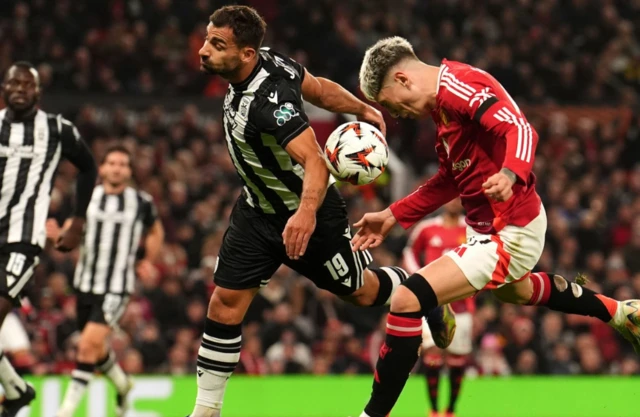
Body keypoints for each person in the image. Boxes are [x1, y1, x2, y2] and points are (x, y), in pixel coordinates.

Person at [352, 37, 640, 417]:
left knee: (407, 298)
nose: (399, 114)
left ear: (403, 79)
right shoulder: (442, 112)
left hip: (510, 227)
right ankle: (622, 314)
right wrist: (392, 215)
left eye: (391, 104)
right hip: (488, 227)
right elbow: (448, 179)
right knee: (513, 292)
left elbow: (520, 130)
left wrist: (510, 172)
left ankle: (373, 414)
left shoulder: (460, 86)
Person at [189, 7, 454, 417]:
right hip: (258, 212)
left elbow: (314, 159)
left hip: (309, 216)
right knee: (224, 303)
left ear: (245, 53)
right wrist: (361, 108)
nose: (205, 50)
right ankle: (206, 411)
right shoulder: (270, 60)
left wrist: (306, 214)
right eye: (208, 40)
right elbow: (317, 88)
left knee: (362, 292)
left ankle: (419, 288)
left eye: (217, 44)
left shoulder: (268, 103)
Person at [0, 62, 97, 417]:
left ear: (38, 92)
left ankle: (14, 393)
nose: (20, 88)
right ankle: (16, 392)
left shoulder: (56, 129)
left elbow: (88, 166)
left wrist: (77, 219)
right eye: (14, 82)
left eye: (28, 83)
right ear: (5, 88)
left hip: (21, 240)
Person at [47, 145, 164, 417]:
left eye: (123, 164)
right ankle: (123, 386)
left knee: (87, 345)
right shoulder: (88, 198)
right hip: (85, 284)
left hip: (117, 287)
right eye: (112, 162)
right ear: (101, 168)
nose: (117, 168)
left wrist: (148, 259)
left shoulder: (141, 201)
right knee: (96, 349)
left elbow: (156, 230)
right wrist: (56, 236)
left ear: (130, 171)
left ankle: (65, 410)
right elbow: (71, 232)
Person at [403, 198, 472, 417]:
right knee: (432, 354)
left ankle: (450, 410)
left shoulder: (470, 229)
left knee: (456, 359)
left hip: (462, 303)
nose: (452, 202)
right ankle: (433, 410)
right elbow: (409, 253)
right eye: (449, 198)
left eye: (457, 198)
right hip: (432, 302)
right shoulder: (427, 228)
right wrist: (420, 278)